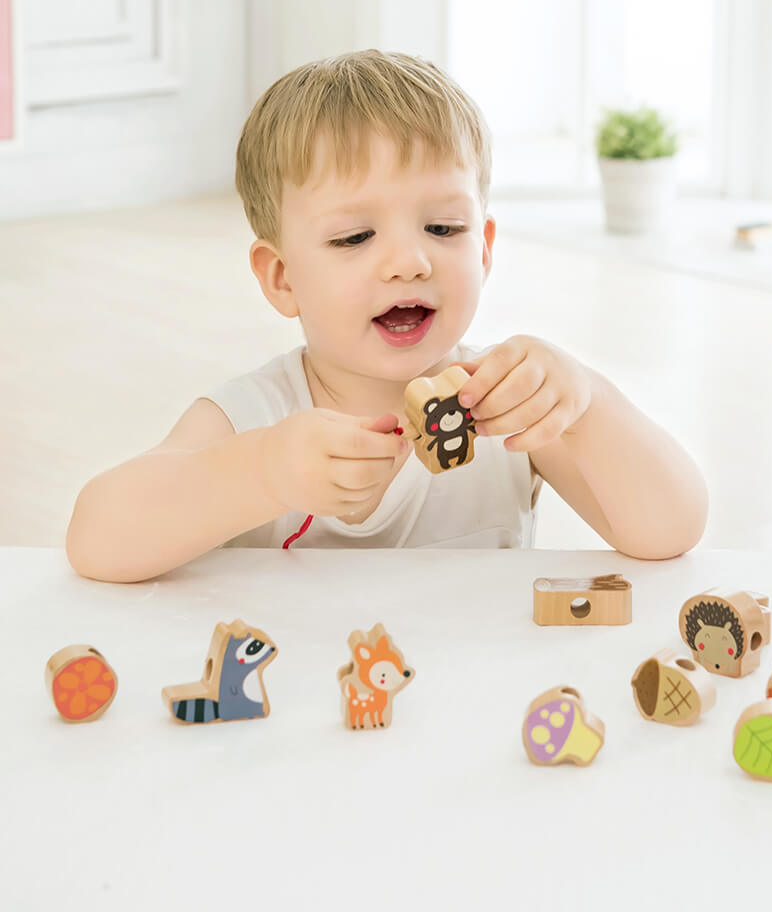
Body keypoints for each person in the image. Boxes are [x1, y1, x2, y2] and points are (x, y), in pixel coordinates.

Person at [66, 50, 707, 582]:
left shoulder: (506, 411)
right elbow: (97, 541)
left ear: (482, 249)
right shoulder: (252, 417)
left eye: (442, 227)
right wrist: (261, 470)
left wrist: (585, 402)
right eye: (354, 238)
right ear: (282, 277)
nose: (408, 262)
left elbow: (671, 529)